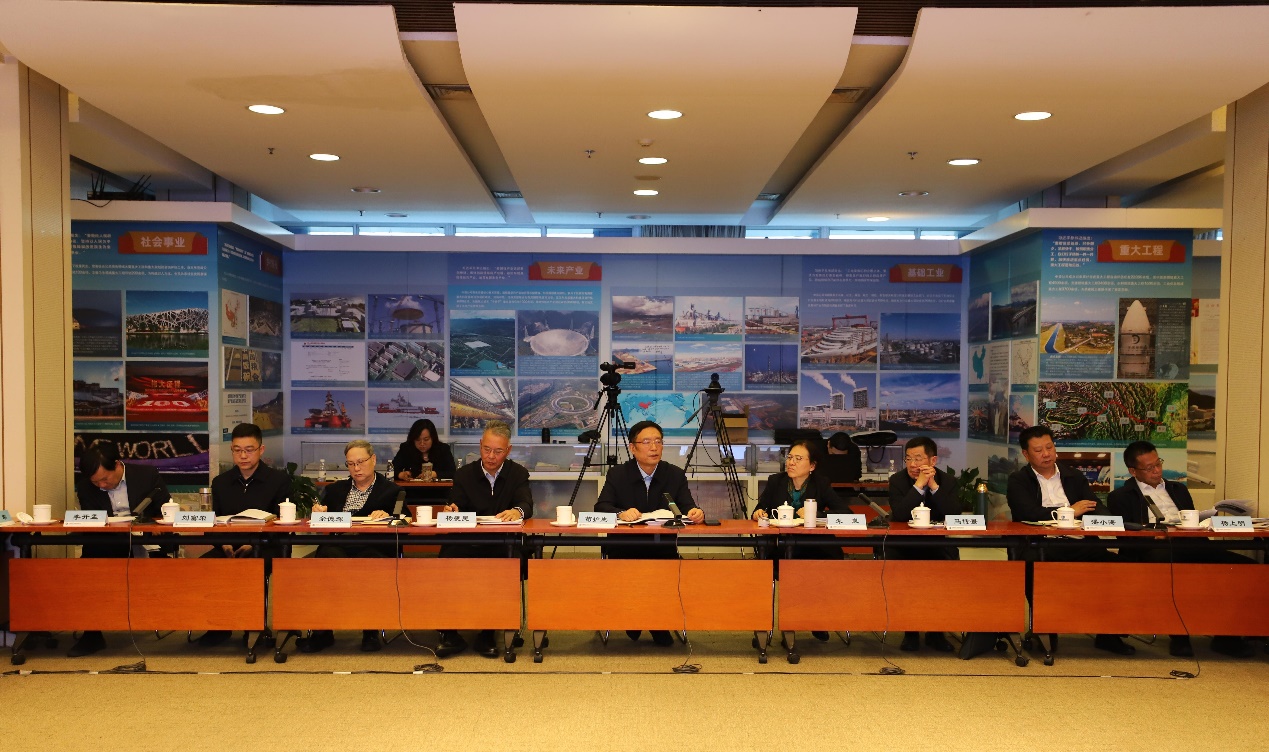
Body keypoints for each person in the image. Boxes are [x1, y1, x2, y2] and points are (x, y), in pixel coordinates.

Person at [1107, 440, 1254, 658]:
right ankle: (1179, 636)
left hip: (1190, 544)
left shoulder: (1178, 489)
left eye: (1158, 463)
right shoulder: (1120, 496)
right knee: (1174, 568)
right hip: (1152, 549)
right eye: (1149, 467)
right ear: (1133, 471)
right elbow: (1125, 536)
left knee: (1244, 567)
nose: (1157, 471)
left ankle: (1228, 636)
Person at [1007, 425, 1134, 656]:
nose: (1046, 454)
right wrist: (1069, 511)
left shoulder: (1073, 476)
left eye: (1049, 447)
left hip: (1079, 541)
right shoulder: (1018, 480)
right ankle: (1046, 629)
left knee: (1117, 566)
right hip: (1039, 544)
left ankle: (1109, 633)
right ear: (1026, 454)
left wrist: (1104, 518)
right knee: (1035, 567)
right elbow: (1028, 513)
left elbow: (1094, 505)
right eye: (1038, 450)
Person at [595, 420, 703, 647]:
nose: (654, 447)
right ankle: (639, 619)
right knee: (634, 571)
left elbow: (687, 507)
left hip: (662, 547)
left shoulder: (674, 474)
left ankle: (655, 622)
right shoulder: (618, 474)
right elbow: (601, 506)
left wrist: (696, 512)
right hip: (624, 547)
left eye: (658, 441)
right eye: (646, 442)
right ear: (632, 448)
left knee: (663, 570)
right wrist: (621, 513)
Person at [435, 420, 532, 658]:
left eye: (498, 451)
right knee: (446, 561)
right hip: (466, 541)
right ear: (480, 445)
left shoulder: (518, 473)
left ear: (508, 450)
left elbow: (526, 504)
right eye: (486, 449)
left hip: (501, 543)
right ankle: (449, 631)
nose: (490, 456)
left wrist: (517, 511)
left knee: (502, 565)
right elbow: (455, 504)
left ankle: (488, 631)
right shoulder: (464, 474)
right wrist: (452, 509)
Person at [298, 440, 403, 654]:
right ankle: (322, 631)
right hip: (341, 543)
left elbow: (404, 522)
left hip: (373, 545)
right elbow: (320, 520)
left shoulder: (392, 491)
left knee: (370, 562)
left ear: (373, 460)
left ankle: (370, 630)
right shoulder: (335, 490)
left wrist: (389, 517)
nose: (356, 468)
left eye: (361, 462)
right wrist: (319, 513)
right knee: (326, 558)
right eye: (351, 464)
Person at [67, 443, 172, 657]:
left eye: (105, 479)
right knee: (89, 566)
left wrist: (155, 525)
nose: (102, 485)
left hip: (146, 541)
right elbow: (94, 523)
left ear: (117, 465)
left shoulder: (147, 476)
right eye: (96, 482)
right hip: (109, 543)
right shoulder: (86, 487)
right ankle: (92, 633)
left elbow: (165, 509)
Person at [199, 423, 289, 647]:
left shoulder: (278, 481)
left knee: (252, 566)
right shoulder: (221, 483)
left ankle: (254, 627)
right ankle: (218, 626)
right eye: (237, 450)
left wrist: (255, 545)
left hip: (265, 546)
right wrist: (224, 544)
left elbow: (283, 524)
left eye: (249, 450)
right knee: (205, 566)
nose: (243, 455)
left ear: (261, 450)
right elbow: (212, 522)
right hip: (229, 546)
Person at [753, 439, 843, 643]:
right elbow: (760, 509)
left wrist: (816, 515)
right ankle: (775, 627)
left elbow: (844, 512)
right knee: (779, 569)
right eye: (790, 457)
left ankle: (814, 620)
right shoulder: (776, 481)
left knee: (814, 571)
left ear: (812, 466)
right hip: (780, 547)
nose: (791, 462)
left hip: (814, 548)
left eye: (798, 458)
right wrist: (758, 513)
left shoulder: (821, 484)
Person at [887, 436, 959, 653]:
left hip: (937, 544)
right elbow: (899, 515)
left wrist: (933, 486)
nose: (912, 464)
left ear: (933, 460)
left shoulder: (947, 481)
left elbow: (954, 515)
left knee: (943, 577)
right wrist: (918, 486)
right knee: (906, 581)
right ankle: (910, 632)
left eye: (918, 458)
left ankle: (936, 633)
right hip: (905, 545)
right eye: (908, 458)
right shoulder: (897, 481)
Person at [392, 418, 456, 501]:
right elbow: (391, 470)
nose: (422, 444)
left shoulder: (443, 449)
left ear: (433, 438)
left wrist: (434, 474)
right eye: (418, 440)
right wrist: (400, 474)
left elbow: (453, 472)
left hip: (439, 495)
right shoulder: (406, 448)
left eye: (426, 439)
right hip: (411, 495)